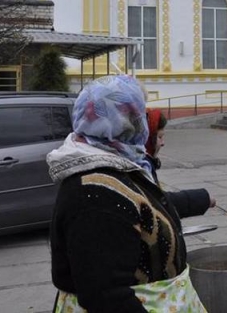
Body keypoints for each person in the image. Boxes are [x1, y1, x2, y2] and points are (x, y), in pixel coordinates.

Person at [47, 75, 206, 313]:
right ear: (125, 121)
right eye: (139, 113)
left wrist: (198, 200)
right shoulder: (95, 191)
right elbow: (105, 295)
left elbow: (143, 209)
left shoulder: (116, 165)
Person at [145, 107, 215, 217]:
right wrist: (203, 199)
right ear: (147, 138)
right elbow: (156, 202)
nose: (163, 143)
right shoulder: (139, 166)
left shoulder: (144, 163)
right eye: (159, 137)